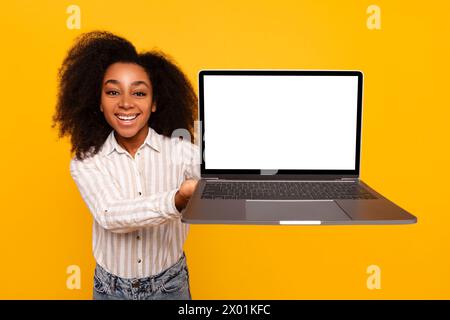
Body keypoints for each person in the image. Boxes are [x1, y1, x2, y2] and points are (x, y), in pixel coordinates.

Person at [52, 30, 200, 300]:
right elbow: (111, 214)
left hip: (170, 286)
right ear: (97, 101)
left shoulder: (182, 150)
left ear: (154, 103)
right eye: (113, 91)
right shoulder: (87, 161)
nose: (126, 103)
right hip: (111, 290)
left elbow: (221, 177)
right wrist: (177, 199)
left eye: (139, 93)